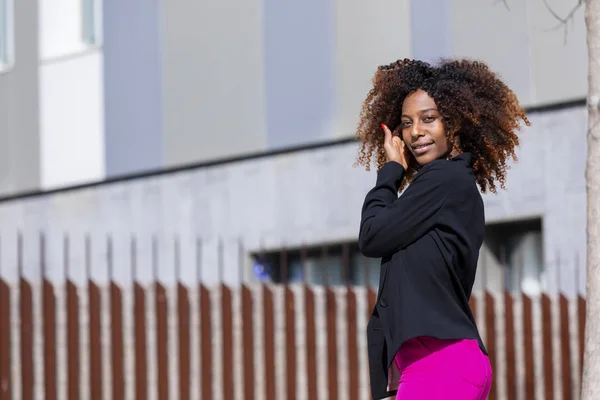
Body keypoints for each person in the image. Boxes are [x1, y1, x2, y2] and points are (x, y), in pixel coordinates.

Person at [355, 58, 529, 399]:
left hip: (441, 364)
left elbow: (372, 234)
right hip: (436, 365)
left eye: (428, 119)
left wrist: (391, 170)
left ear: (455, 123)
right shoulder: (444, 190)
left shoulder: (443, 180)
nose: (416, 131)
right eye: (406, 123)